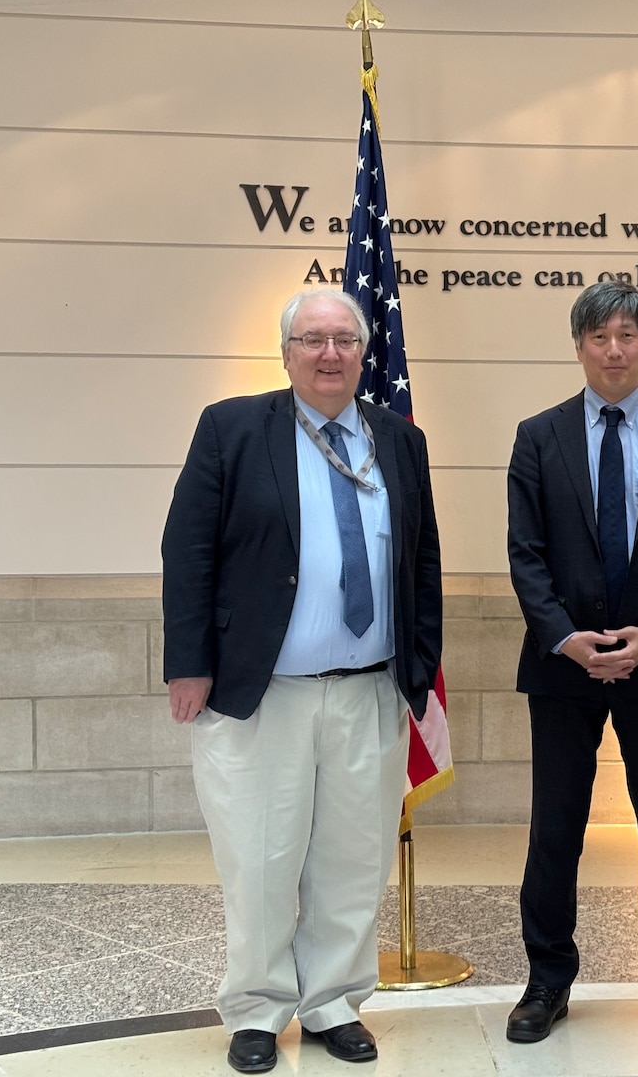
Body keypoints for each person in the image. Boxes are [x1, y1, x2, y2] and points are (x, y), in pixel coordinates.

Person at [161, 289, 442, 1074]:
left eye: (344, 339)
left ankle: (332, 1003)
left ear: (363, 353)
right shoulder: (232, 429)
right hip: (263, 695)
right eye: (312, 339)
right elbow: (188, 549)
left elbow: (422, 558)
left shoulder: (398, 440)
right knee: (259, 859)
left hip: (369, 690)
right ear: (286, 353)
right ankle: (257, 1009)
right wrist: (189, 663)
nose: (329, 354)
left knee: (353, 861)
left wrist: (419, 670)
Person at [503, 280, 638, 1045]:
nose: (615, 350)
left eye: (628, 335)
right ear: (579, 346)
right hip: (562, 668)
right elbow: (525, 554)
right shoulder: (538, 436)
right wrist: (567, 638)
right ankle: (546, 981)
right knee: (555, 830)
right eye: (600, 337)